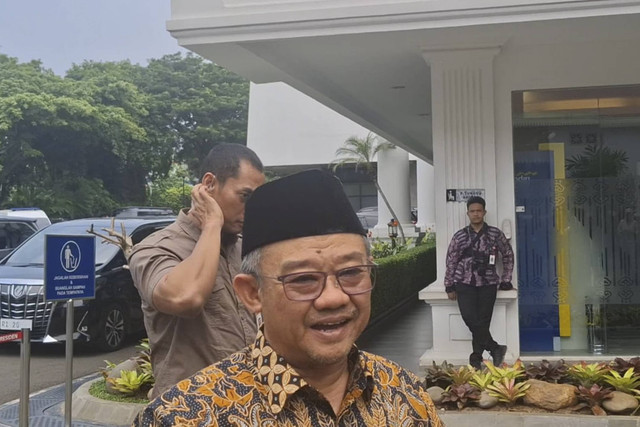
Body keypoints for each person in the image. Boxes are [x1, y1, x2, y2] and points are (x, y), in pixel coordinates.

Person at [134, 169, 443, 426]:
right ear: (253, 294)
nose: (333, 298)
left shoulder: (406, 394)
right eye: (304, 279)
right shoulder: (183, 416)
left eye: (351, 273)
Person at [129, 143, 265, 398]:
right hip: (188, 409)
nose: (252, 209)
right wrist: (212, 224)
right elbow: (186, 298)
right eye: (245, 196)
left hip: (248, 404)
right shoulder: (157, 248)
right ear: (209, 184)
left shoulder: (243, 248)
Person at [444, 196, 514, 370]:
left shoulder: (495, 234)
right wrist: (449, 285)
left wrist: (506, 279)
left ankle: (476, 360)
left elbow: (507, 255)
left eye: (479, 211)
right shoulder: (460, 236)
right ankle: (495, 348)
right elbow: (451, 260)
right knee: (470, 318)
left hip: (488, 283)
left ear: (484, 212)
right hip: (464, 282)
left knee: (482, 322)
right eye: (472, 211)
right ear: (467, 213)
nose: (476, 214)